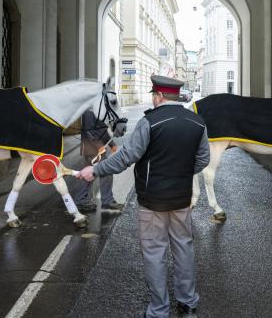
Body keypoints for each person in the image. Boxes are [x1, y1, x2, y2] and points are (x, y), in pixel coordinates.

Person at [77, 75, 210, 318]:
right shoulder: (197, 122)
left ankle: (159, 310)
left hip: (153, 200)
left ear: (159, 96)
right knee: (184, 247)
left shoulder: (150, 122)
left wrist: (94, 170)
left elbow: (126, 157)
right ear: (176, 96)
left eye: (153, 95)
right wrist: (180, 173)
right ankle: (188, 303)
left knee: (155, 251)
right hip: (181, 198)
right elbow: (203, 159)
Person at [76, 110, 123, 212]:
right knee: (106, 171)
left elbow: (102, 130)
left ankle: (81, 201)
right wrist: (99, 146)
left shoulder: (98, 107)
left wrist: (112, 144)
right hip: (92, 147)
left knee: (89, 174)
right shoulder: (89, 110)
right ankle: (107, 201)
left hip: (95, 147)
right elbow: (88, 130)